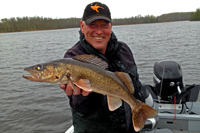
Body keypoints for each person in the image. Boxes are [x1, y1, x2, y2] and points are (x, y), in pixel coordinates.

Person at [60, 2, 144, 133]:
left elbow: (136, 88)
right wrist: (83, 96)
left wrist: (138, 108)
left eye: (104, 25)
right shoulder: (73, 58)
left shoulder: (124, 50)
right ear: (82, 26)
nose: (99, 31)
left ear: (111, 27)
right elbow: (80, 108)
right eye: (92, 25)